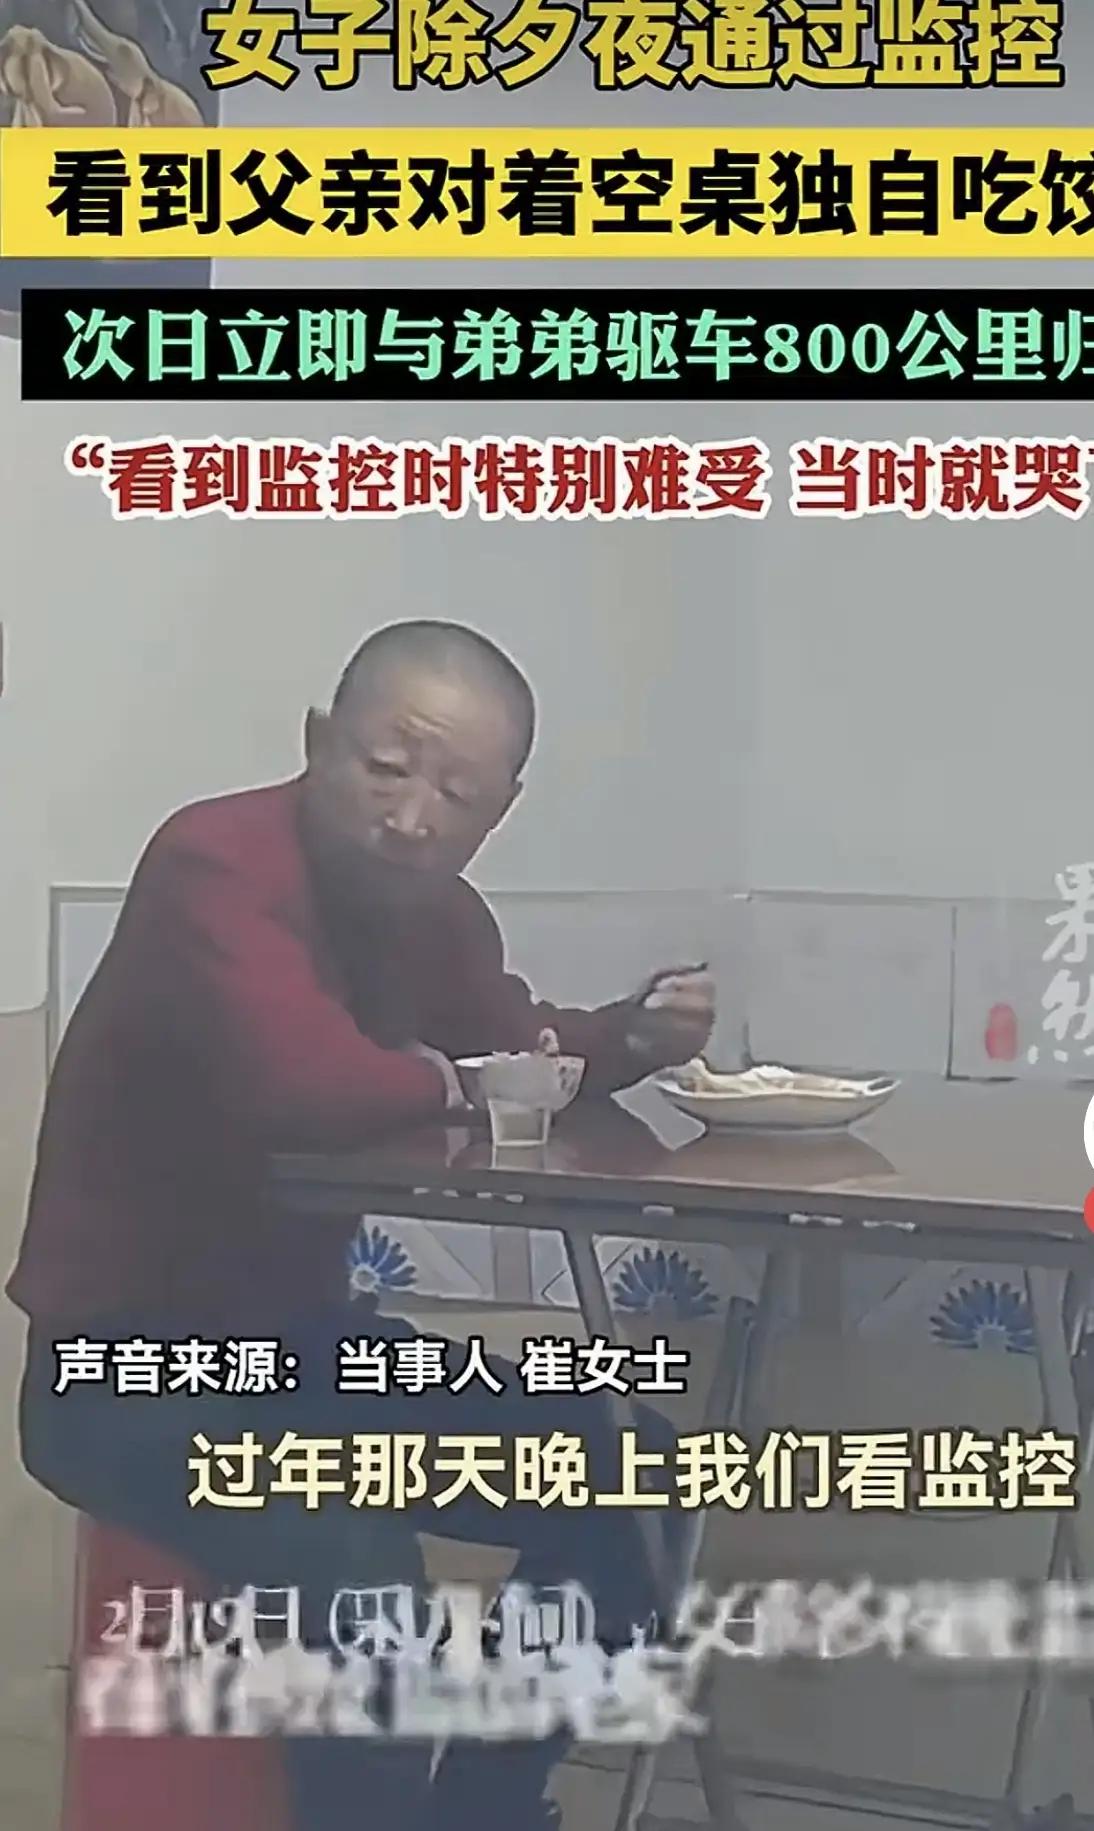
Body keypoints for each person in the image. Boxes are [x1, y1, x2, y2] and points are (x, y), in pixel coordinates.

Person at [10, 620, 715, 1829]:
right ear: (316, 741)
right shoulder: (214, 862)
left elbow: (515, 1051)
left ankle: (487, 1807)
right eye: (387, 768)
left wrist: (627, 1037)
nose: (412, 817)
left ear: (500, 811)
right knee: (352, 1558)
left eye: (458, 796)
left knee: (637, 1474)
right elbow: (305, 1082)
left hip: (306, 1348)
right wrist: (453, 1077)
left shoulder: (439, 918)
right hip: (122, 1370)